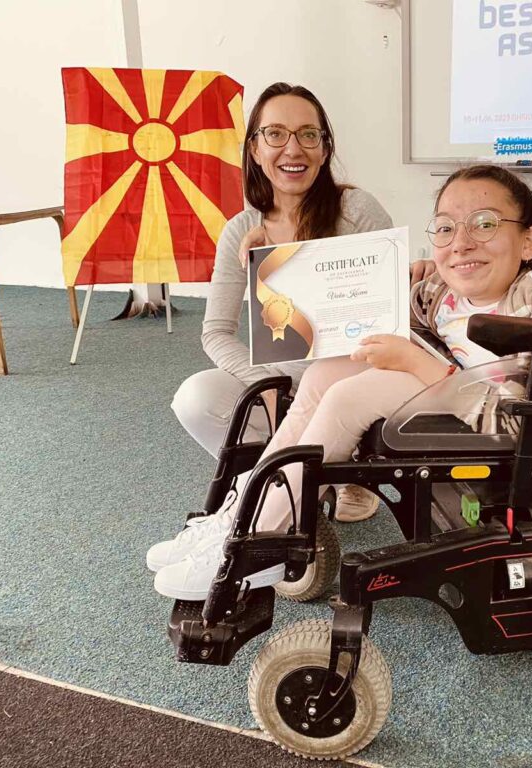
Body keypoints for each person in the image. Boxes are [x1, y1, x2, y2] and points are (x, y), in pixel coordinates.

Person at [151, 164, 532, 600]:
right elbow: (362, 311)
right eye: (445, 228)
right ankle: (239, 518)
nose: (460, 243)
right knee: (325, 374)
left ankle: (264, 540)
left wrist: (417, 362)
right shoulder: (442, 290)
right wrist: (274, 272)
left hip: (524, 422)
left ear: (528, 242)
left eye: (484, 224)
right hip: (455, 390)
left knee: (351, 396)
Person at [166, 83, 395, 560]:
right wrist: (263, 379)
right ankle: (293, 491)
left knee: (338, 395)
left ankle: (337, 481)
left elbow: (391, 318)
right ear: (254, 147)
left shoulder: (357, 211)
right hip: (282, 379)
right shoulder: (239, 231)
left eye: (309, 134)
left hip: (351, 376)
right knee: (196, 397)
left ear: (326, 146)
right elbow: (215, 331)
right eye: (275, 134)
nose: (294, 149)